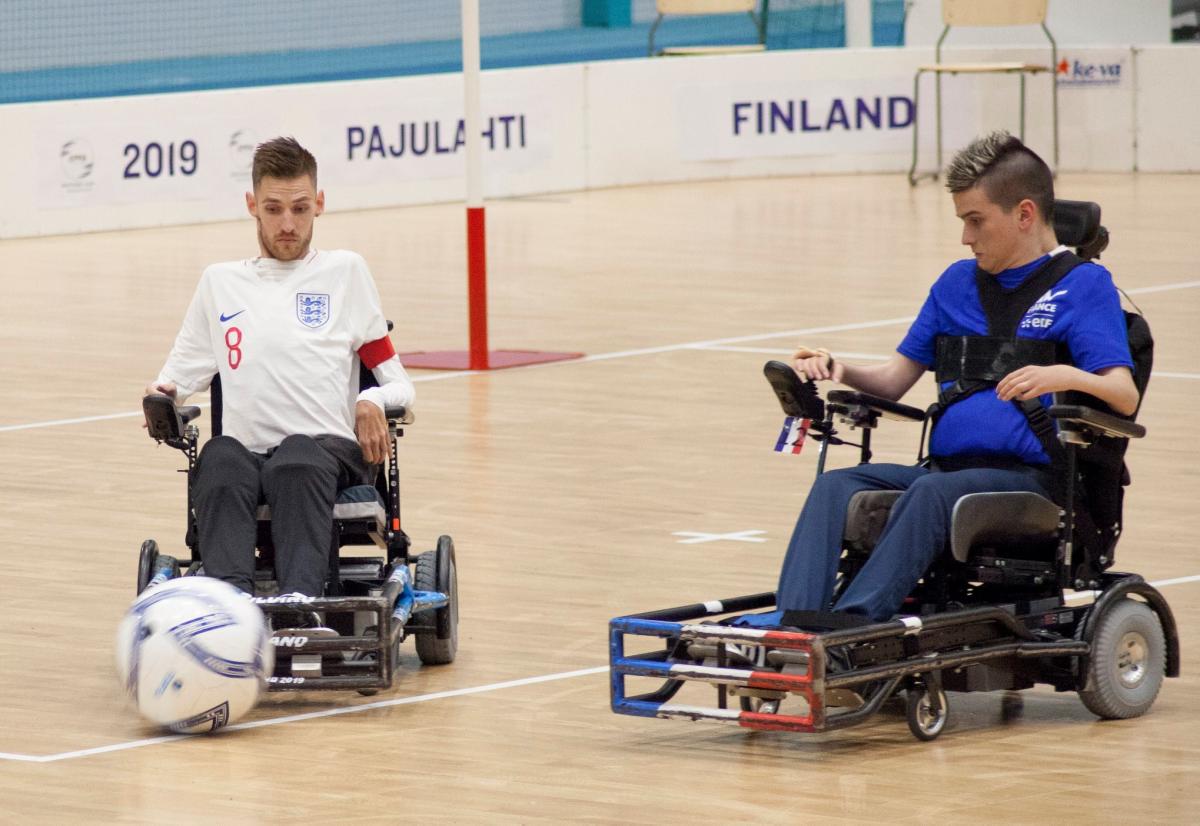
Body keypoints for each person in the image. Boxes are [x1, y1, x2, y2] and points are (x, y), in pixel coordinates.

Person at [751, 131, 1138, 626]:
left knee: (931, 494)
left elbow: (1122, 396)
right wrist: (838, 369)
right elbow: (893, 381)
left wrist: (1064, 374)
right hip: (947, 473)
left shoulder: (1083, 285)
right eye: (962, 221)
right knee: (836, 486)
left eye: (976, 221)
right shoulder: (954, 283)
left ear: (1024, 214)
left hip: (1033, 483)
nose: (965, 237)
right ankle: (795, 622)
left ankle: (854, 626)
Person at [144, 136, 414, 600]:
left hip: (326, 452)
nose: (287, 224)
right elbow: (174, 382)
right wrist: (159, 402)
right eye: (273, 209)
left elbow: (401, 388)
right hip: (249, 454)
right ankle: (228, 604)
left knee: (296, 457)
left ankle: (301, 603)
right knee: (219, 457)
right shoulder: (219, 283)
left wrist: (370, 398)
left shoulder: (345, 273)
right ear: (252, 205)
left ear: (320, 204)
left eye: (300, 208)